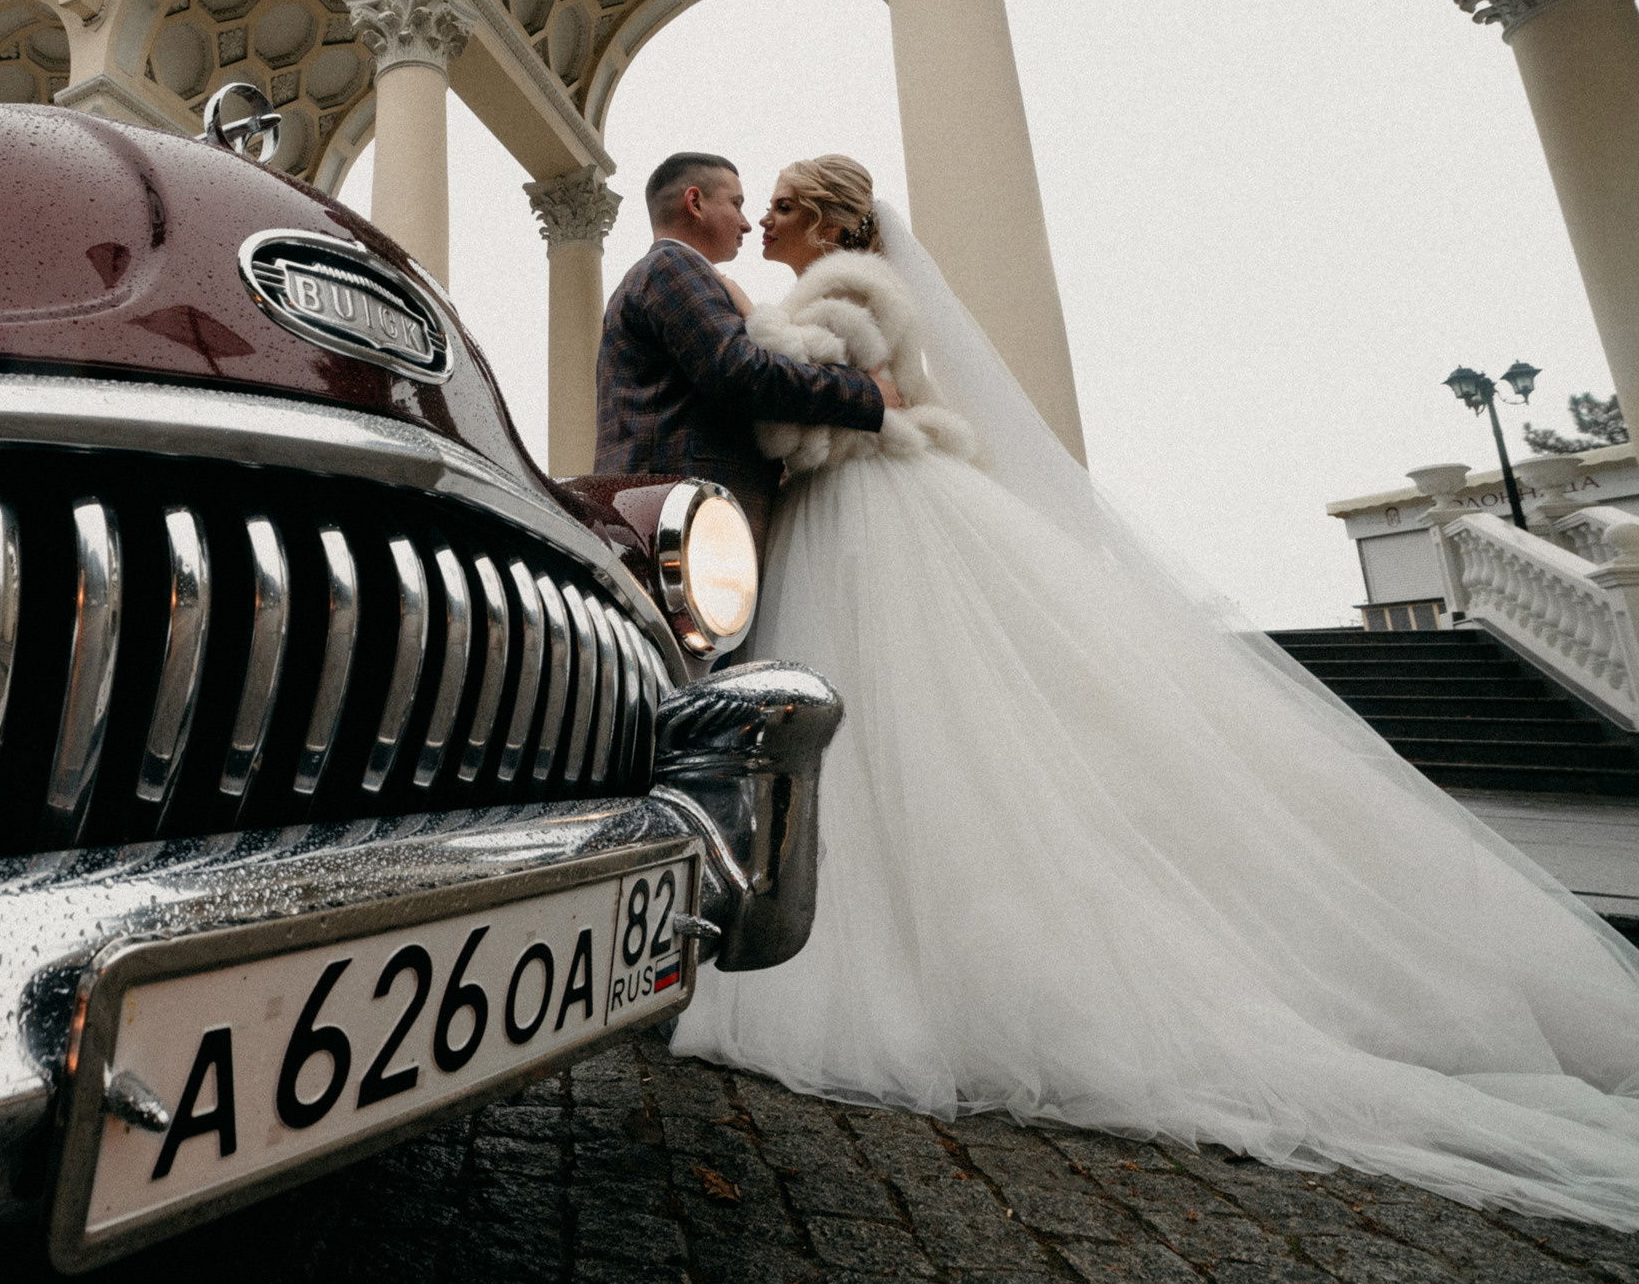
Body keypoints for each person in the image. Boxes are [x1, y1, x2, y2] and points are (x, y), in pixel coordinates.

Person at [673, 153, 1639, 1228]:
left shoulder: (836, 294)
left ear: (823, 219)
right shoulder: (856, 292)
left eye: (777, 211)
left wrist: (780, 409)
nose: (761, 226)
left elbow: (804, 423)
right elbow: (882, 399)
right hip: (884, 501)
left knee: (902, 733)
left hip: (862, 518)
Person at [594, 152, 898, 549]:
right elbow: (741, 372)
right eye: (736, 203)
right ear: (695, 202)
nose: (746, 222)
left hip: (680, 518)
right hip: (678, 521)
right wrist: (866, 393)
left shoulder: (670, 273)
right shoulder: (673, 267)